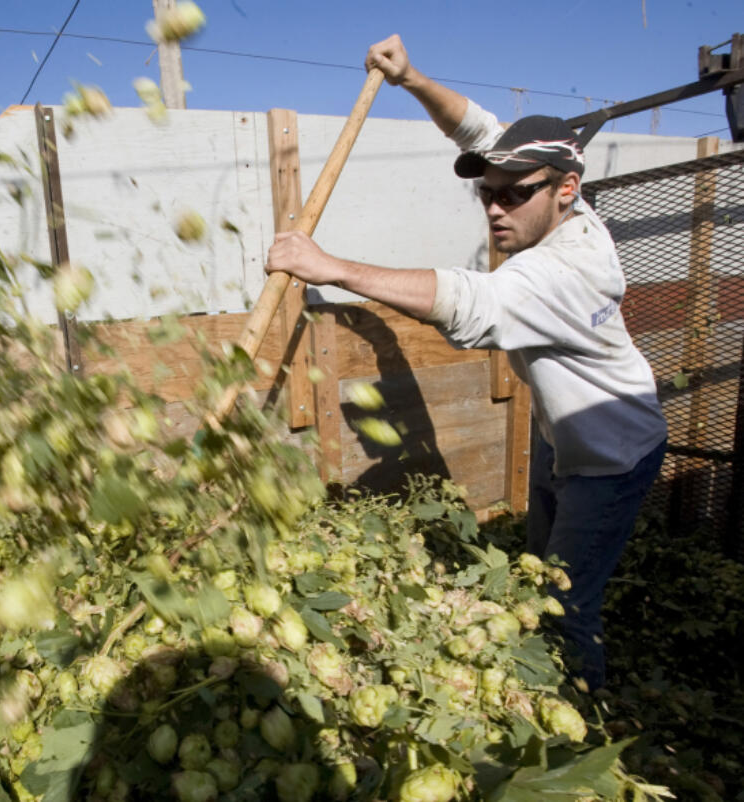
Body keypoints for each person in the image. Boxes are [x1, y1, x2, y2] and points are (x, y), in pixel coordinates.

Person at [266, 34, 668, 691]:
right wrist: (411, 78)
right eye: (488, 192)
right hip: (561, 438)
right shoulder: (562, 199)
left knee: (565, 603)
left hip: (611, 458)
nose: (495, 208)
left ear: (566, 189)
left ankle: (583, 736)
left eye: (514, 196)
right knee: (538, 567)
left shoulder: (568, 270)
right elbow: (479, 130)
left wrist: (329, 267)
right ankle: (539, 673)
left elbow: (469, 303)